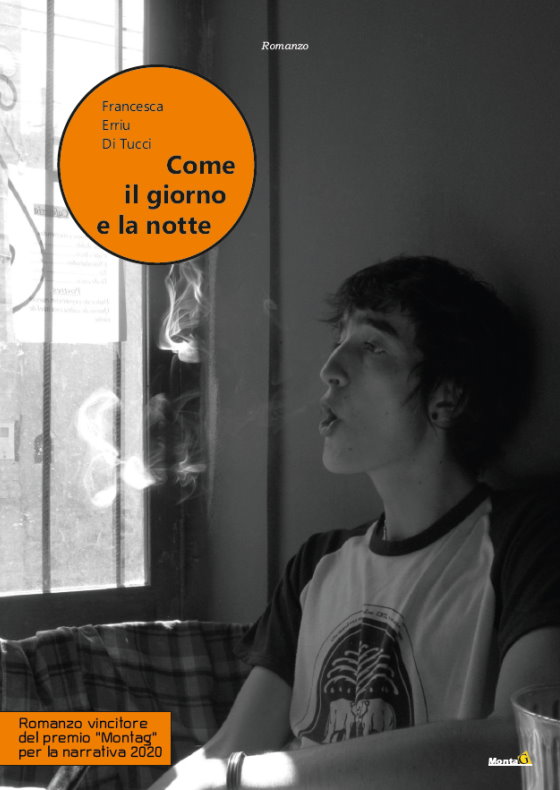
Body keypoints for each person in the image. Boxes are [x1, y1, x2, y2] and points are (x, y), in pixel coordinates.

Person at [150, 256, 560, 790]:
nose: (330, 368)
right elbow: (226, 750)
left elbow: (524, 755)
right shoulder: (317, 564)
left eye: (373, 346)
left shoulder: (528, 541)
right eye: (338, 341)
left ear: (447, 397)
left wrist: (246, 777)